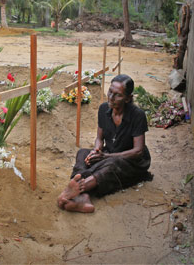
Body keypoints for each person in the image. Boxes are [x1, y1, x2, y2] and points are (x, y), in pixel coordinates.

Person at [57, 74, 152, 213]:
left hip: (133, 161)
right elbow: (99, 138)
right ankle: (83, 196)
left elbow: (138, 151)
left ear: (128, 98)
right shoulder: (103, 109)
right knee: (83, 153)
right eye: (110, 92)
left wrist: (106, 157)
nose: (111, 97)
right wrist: (96, 150)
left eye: (117, 95)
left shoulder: (137, 115)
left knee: (112, 164)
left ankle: (77, 190)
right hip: (110, 153)